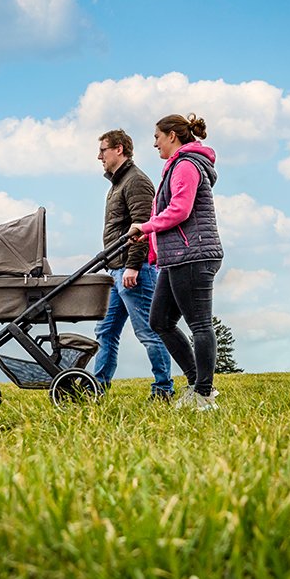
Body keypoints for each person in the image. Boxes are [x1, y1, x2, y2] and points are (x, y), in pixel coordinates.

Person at [129, 113, 223, 411]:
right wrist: (152, 235)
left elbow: (180, 210)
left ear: (172, 135)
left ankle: (204, 393)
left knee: (199, 323)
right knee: (160, 321)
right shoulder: (177, 166)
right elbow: (173, 213)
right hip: (177, 257)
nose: (155, 143)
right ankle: (197, 383)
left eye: (157, 137)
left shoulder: (185, 165)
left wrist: (146, 226)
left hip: (193, 255)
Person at [92, 129, 175, 400]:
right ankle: (97, 387)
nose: (99, 156)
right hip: (117, 271)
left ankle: (164, 389)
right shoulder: (117, 183)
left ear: (119, 149)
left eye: (103, 150)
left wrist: (133, 265)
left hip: (134, 271)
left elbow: (142, 227)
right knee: (105, 331)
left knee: (149, 332)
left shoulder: (136, 181)